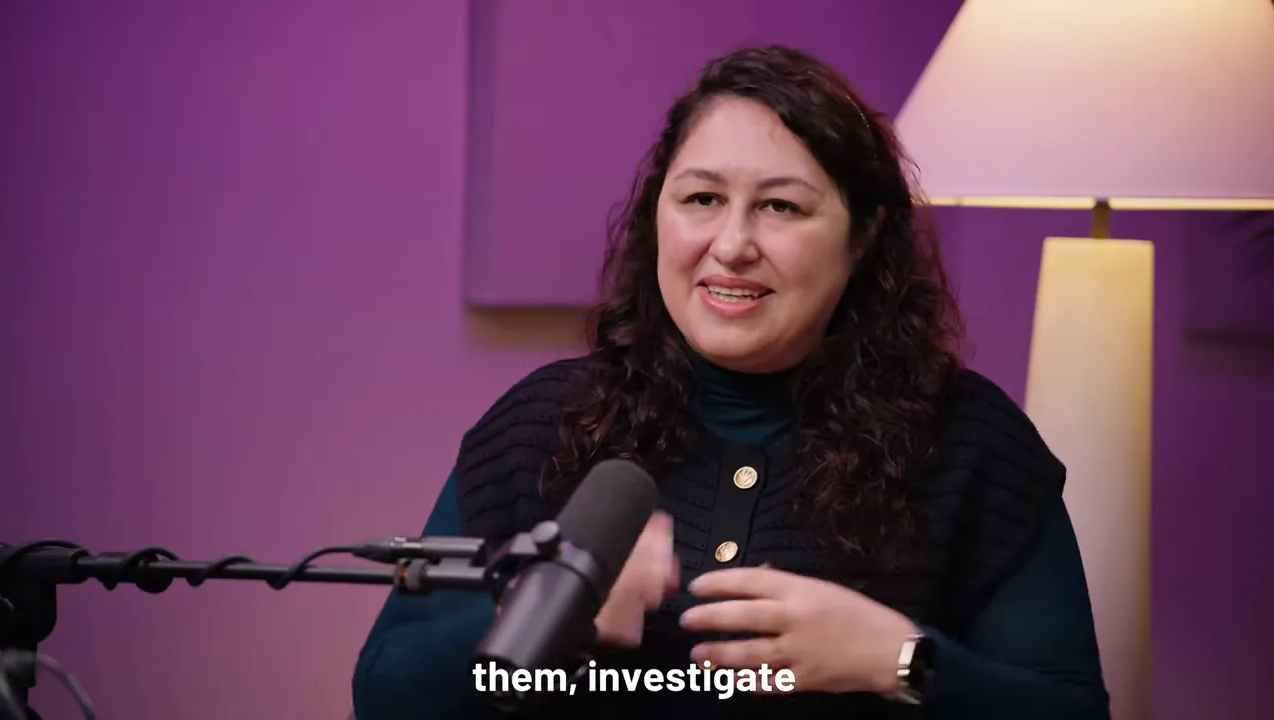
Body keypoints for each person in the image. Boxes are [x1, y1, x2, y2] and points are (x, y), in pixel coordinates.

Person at [352, 45, 1110, 719]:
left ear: (866, 233)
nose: (732, 244)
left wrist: (899, 662)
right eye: (702, 199)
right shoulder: (544, 426)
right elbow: (385, 696)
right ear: (660, 215)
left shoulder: (969, 444)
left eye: (780, 206)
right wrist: (544, 612)